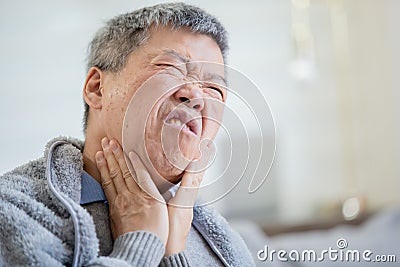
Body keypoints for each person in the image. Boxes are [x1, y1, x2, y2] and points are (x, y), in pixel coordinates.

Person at [0, 2, 255, 266]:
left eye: (214, 89)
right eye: (170, 67)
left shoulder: (225, 245)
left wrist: (172, 255)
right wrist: (140, 246)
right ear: (97, 89)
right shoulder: (14, 213)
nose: (196, 96)